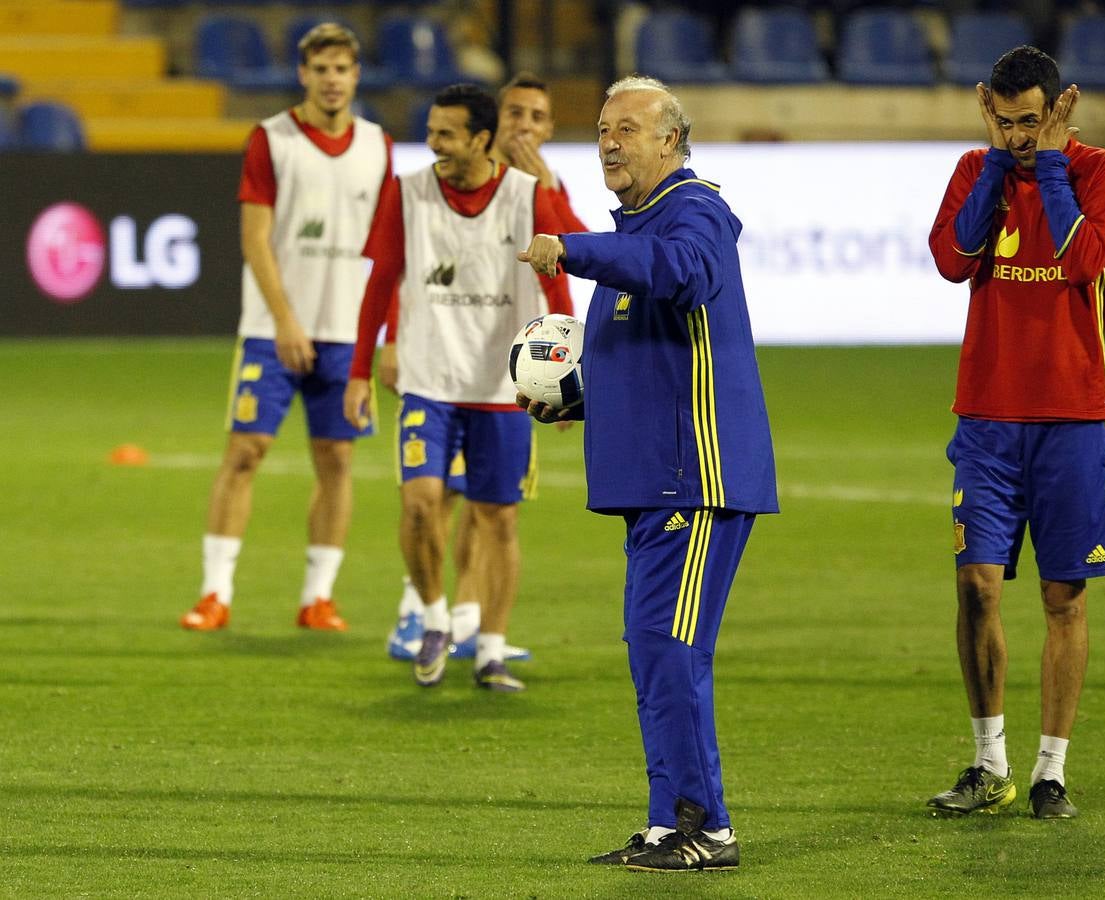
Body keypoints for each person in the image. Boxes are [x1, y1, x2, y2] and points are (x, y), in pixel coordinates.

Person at [518, 75, 778, 871]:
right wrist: (577, 400)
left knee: (669, 648)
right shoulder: (640, 228)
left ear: (670, 139)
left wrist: (574, 247)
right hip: (653, 481)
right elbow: (652, 362)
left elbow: (689, 272)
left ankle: (708, 826)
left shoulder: (692, 209)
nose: (607, 141)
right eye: (600, 129)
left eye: (625, 128)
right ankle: (670, 820)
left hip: (694, 480)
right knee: (655, 649)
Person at [926, 45, 1105, 819]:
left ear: (1061, 106)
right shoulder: (974, 173)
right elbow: (951, 261)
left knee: (1062, 596)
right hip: (984, 419)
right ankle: (988, 763)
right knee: (976, 586)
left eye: (1032, 121)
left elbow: (1083, 263)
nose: (1019, 135)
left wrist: (1047, 167)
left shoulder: (1100, 171)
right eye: (1006, 122)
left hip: (1073, 417)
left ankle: (1050, 771)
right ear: (988, 109)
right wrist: (992, 165)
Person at [344, 83, 573, 692]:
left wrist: (565, 379)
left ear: (480, 138)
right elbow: (380, 283)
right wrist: (361, 369)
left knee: (498, 520)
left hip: (501, 387)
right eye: (431, 130)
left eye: (446, 133)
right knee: (420, 504)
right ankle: (435, 617)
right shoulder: (409, 192)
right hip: (429, 379)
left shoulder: (527, 197)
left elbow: (558, 284)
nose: (433, 142)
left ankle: (491, 649)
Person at [180, 23, 391, 632]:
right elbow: (255, 240)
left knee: (337, 460)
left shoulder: (377, 144)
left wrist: (376, 335)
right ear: (303, 74)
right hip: (274, 330)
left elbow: (384, 248)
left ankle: (318, 597)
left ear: (356, 76)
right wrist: (285, 320)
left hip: (346, 332)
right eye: (321, 69)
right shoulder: (270, 140)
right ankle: (215, 592)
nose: (331, 80)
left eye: (342, 70)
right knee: (246, 451)